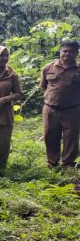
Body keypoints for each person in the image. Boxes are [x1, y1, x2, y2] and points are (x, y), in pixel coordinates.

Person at [40, 39, 80, 167]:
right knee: (50, 136)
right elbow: (44, 87)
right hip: (50, 110)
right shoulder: (48, 68)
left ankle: (68, 164)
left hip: (73, 110)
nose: (67, 54)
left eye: (71, 52)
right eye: (65, 51)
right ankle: (52, 162)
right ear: (60, 52)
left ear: (76, 53)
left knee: (71, 137)